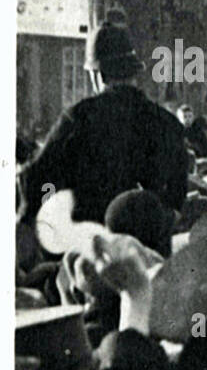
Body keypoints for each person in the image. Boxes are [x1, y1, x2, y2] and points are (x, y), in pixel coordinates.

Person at [21, 23, 188, 224]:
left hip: (91, 243)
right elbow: (177, 194)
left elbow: (37, 177)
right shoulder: (167, 123)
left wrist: (48, 216)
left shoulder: (78, 118)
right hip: (150, 246)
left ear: (97, 75)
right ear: (133, 73)